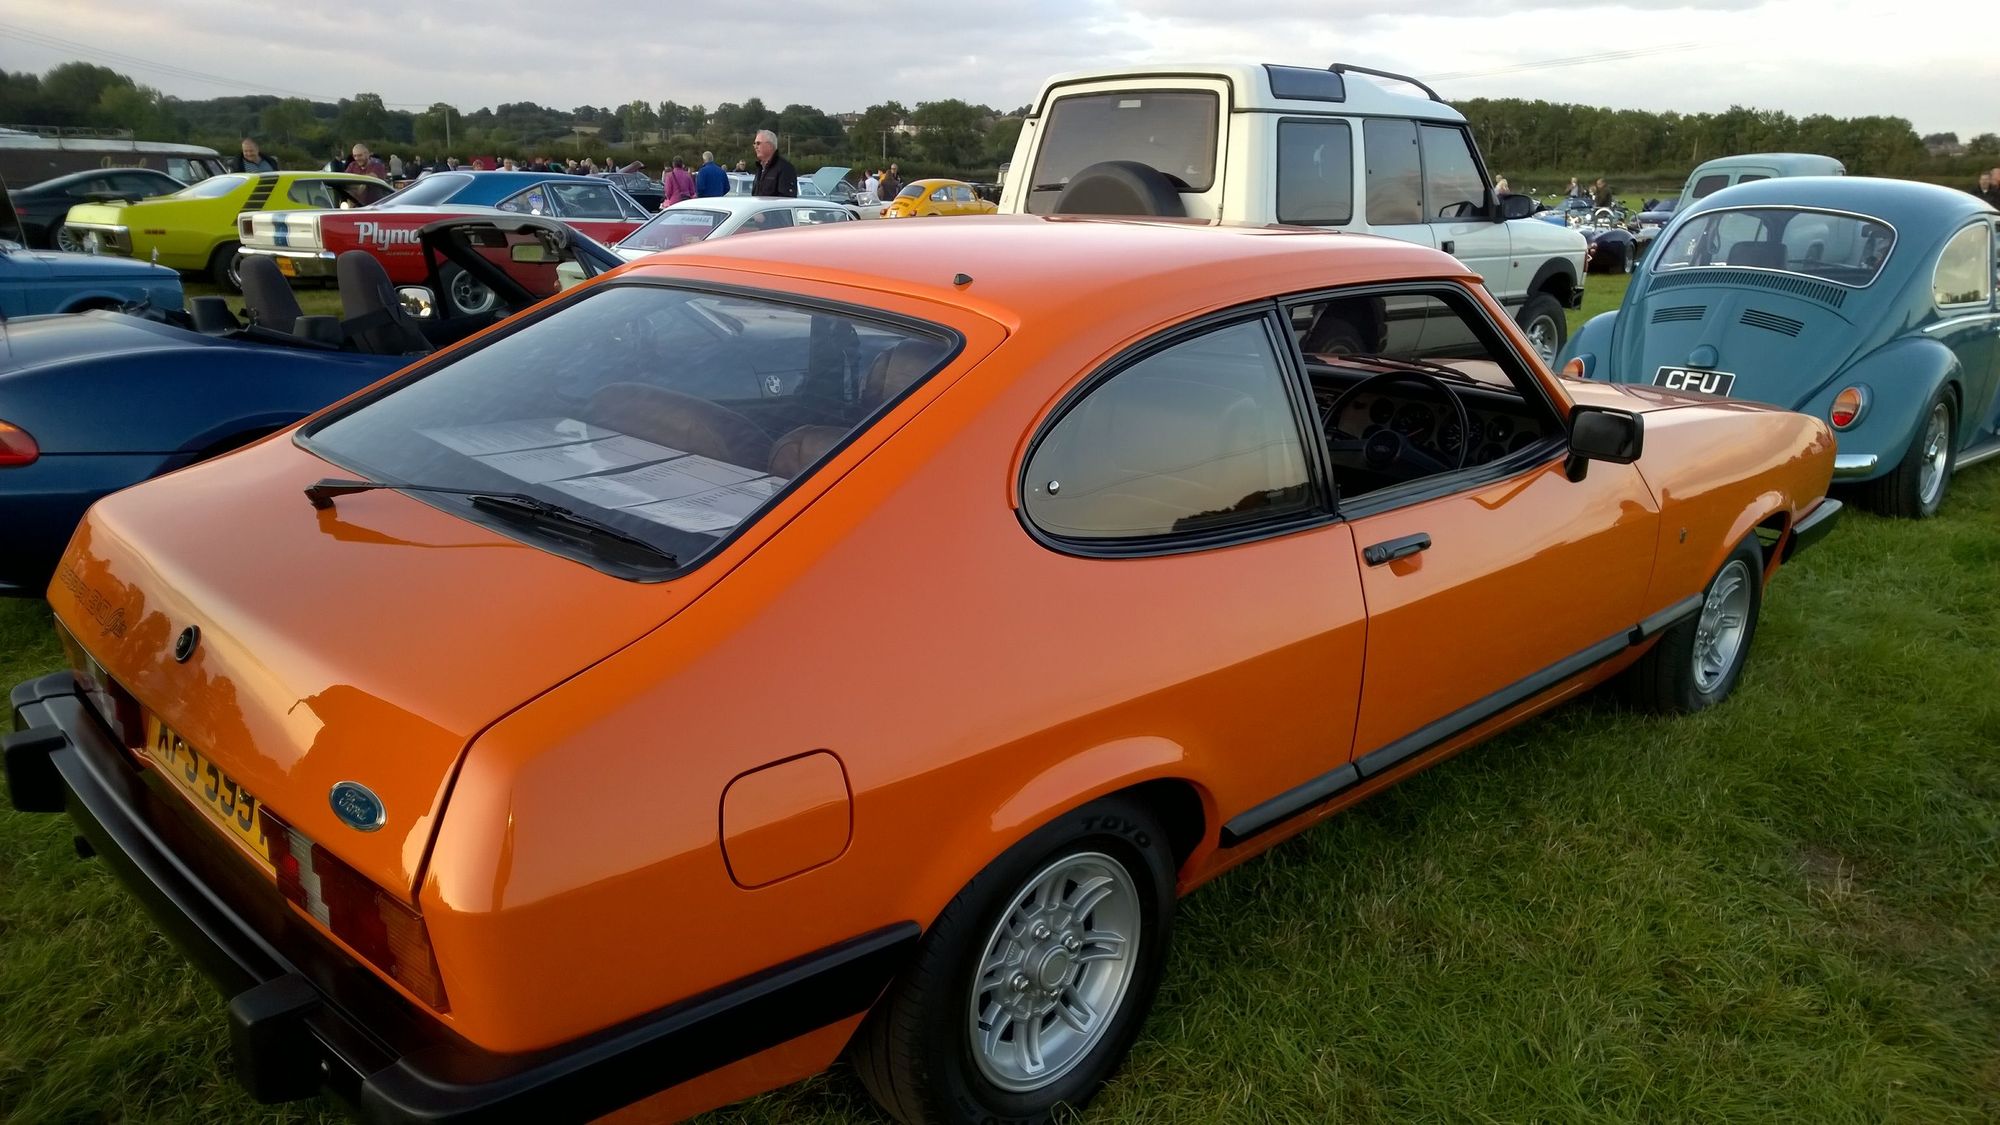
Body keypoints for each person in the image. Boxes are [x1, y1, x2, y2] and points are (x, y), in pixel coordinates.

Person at [750, 129, 798, 197]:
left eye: (758, 143)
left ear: (770, 145)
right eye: (754, 144)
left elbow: (787, 199)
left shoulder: (785, 168)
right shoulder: (760, 168)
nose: (755, 147)